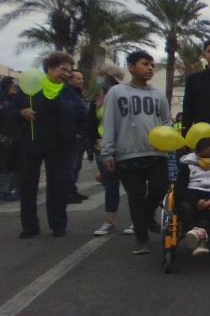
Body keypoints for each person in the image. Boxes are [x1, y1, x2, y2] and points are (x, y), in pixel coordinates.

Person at [101, 51, 172, 255]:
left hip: (157, 153)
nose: (150, 68)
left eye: (152, 65)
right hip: (127, 154)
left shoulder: (158, 95)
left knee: (160, 187)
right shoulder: (116, 93)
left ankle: (148, 214)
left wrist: (169, 139)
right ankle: (142, 239)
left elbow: (166, 122)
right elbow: (109, 123)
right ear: (131, 66)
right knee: (136, 197)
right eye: (145, 64)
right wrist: (107, 153)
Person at [14, 52, 86, 238]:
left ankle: (58, 225)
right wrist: (21, 111)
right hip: (31, 144)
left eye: (69, 72)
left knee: (58, 187)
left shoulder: (70, 93)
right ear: (50, 68)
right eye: (63, 69)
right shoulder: (31, 88)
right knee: (28, 187)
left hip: (60, 147)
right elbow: (11, 108)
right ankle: (29, 227)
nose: (66, 74)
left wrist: (78, 134)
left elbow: (82, 117)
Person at [87, 63, 127, 236]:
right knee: (110, 186)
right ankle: (110, 221)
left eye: (102, 75)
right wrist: (96, 139)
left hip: (124, 149)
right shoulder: (97, 99)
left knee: (132, 186)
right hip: (102, 149)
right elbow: (91, 122)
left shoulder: (124, 95)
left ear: (109, 77)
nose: (99, 78)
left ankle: (138, 221)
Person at [64, 70, 89, 203]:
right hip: (73, 138)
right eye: (78, 79)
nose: (81, 81)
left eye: (82, 79)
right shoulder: (67, 94)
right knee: (70, 167)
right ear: (70, 80)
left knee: (76, 166)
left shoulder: (78, 94)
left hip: (81, 138)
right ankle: (68, 193)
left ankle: (72, 191)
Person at [0, 77, 20, 201]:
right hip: (4, 136)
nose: (14, 89)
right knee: (4, 165)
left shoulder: (14, 101)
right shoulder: (3, 102)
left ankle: (11, 188)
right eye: (12, 86)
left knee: (12, 164)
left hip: (13, 136)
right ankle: (4, 190)